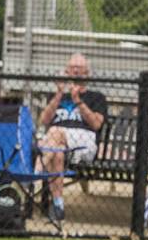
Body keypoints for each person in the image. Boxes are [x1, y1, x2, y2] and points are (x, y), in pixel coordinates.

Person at [36, 52, 108, 229]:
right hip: (57, 144)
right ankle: (58, 205)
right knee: (58, 153)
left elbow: (97, 124)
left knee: (55, 132)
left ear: (87, 74)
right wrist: (60, 94)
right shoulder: (58, 96)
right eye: (73, 69)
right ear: (66, 71)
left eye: (80, 69)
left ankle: (35, 171)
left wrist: (78, 101)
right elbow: (43, 120)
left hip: (84, 141)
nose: (76, 72)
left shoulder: (96, 97)